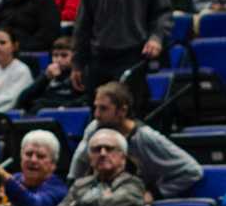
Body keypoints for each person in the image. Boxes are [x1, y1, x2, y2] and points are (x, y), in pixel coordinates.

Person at [67, 82, 203, 198]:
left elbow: (192, 170)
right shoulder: (95, 128)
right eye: (95, 107)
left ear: (122, 111)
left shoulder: (146, 137)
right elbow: (79, 163)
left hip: (133, 201)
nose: (96, 114)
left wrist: (155, 193)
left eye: (103, 109)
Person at [49, 129, 146, 206]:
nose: (103, 153)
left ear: (123, 157)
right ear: (90, 157)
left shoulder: (133, 185)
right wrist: (95, 205)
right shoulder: (80, 184)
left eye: (109, 148)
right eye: (96, 149)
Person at [0, 129, 68, 206]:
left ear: (53, 165)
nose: (33, 160)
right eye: (28, 154)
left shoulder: (58, 188)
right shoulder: (15, 178)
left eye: (40, 156)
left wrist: (1, 173)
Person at [21, 34, 80, 110]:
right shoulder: (47, 75)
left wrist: (63, 107)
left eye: (64, 55)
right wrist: (45, 77)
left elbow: (85, 99)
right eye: (55, 55)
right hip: (42, 114)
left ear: (74, 56)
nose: (58, 60)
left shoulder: (78, 76)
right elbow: (23, 100)